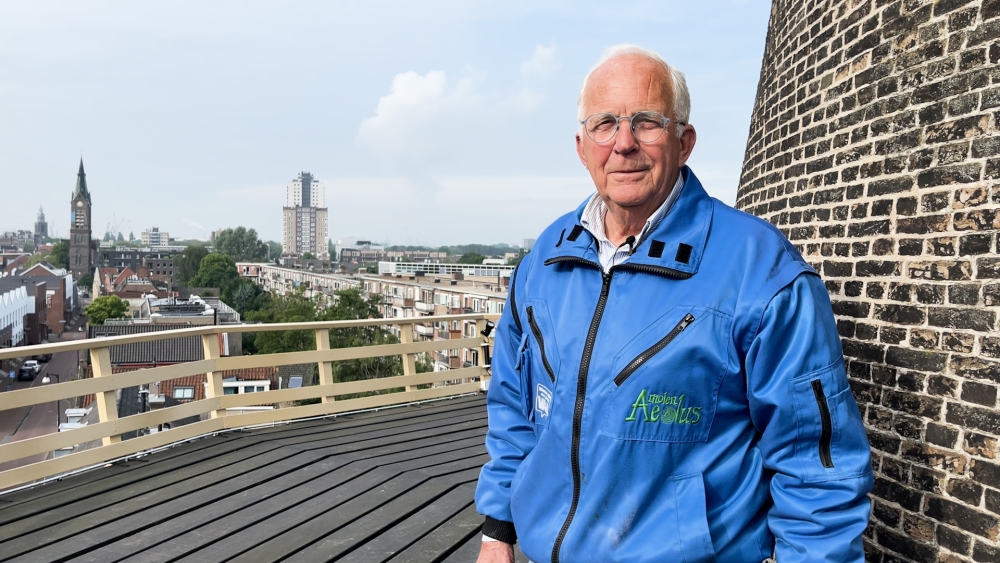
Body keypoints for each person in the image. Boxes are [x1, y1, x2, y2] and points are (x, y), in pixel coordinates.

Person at [474, 45, 873, 563]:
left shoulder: (760, 271)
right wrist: (497, 529)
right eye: (605, 123)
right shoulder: (543, 261)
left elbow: (817, 467)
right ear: (581, 145)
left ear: (684, 142)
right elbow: (514, 407)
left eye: (646, 122)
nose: (623, 144)